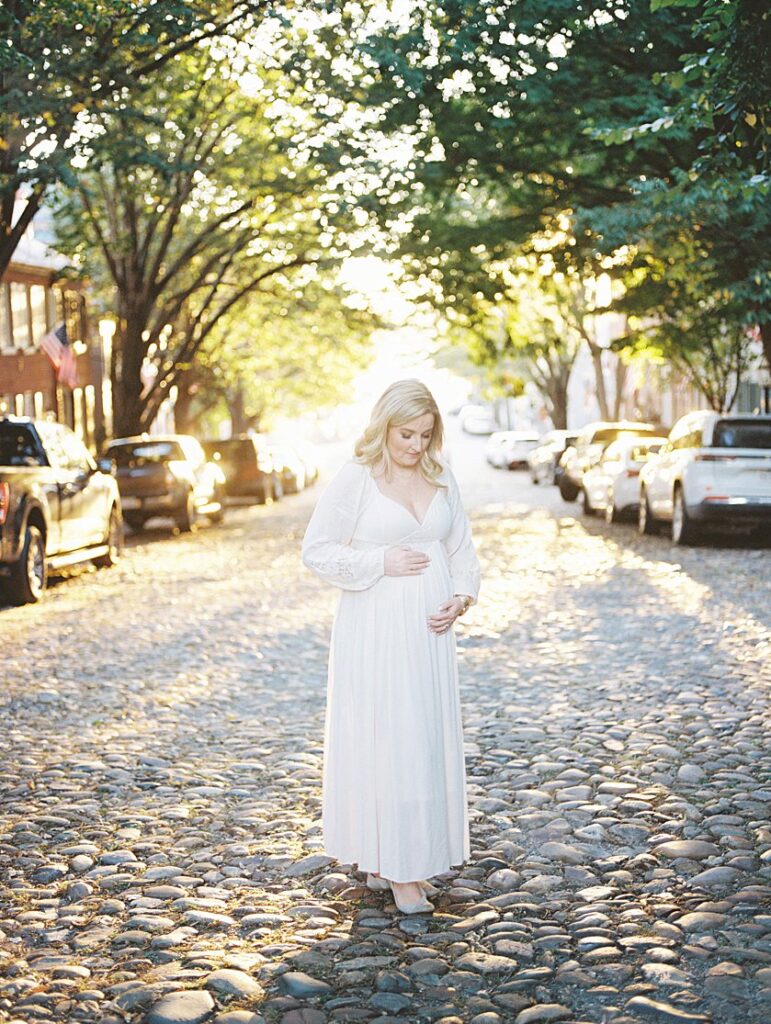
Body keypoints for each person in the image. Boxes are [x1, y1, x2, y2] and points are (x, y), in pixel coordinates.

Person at [301, 379, 481, 914]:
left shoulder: (440, 474)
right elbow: (317, 551)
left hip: (429, 634)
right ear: (384, 426)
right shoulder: (356, 479)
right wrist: (380, 561)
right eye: (407, 434)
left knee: (422, 739)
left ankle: (404, 856)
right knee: (389, 738)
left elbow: (462, 546)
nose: (416, 446)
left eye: (426, 436)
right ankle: (400, 872)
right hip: (375, 627)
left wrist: (461, 596)